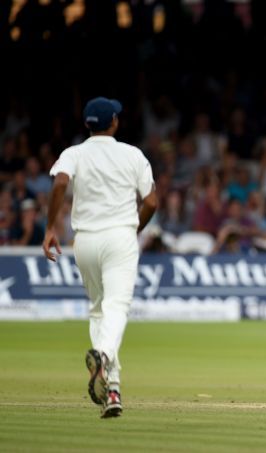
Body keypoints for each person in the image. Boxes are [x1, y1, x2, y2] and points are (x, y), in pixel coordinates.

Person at [42, 97, 158, 418]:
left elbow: (60, 183)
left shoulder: (73, 153)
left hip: (85, 241)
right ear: (115, 122)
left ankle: (113, 389)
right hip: (119, 235)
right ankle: (105, 356)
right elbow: (151, 201)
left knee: (98, 311)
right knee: (116, 307)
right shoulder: (132, 154)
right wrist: (134, 227)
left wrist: (51, 226)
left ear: (87, 125)